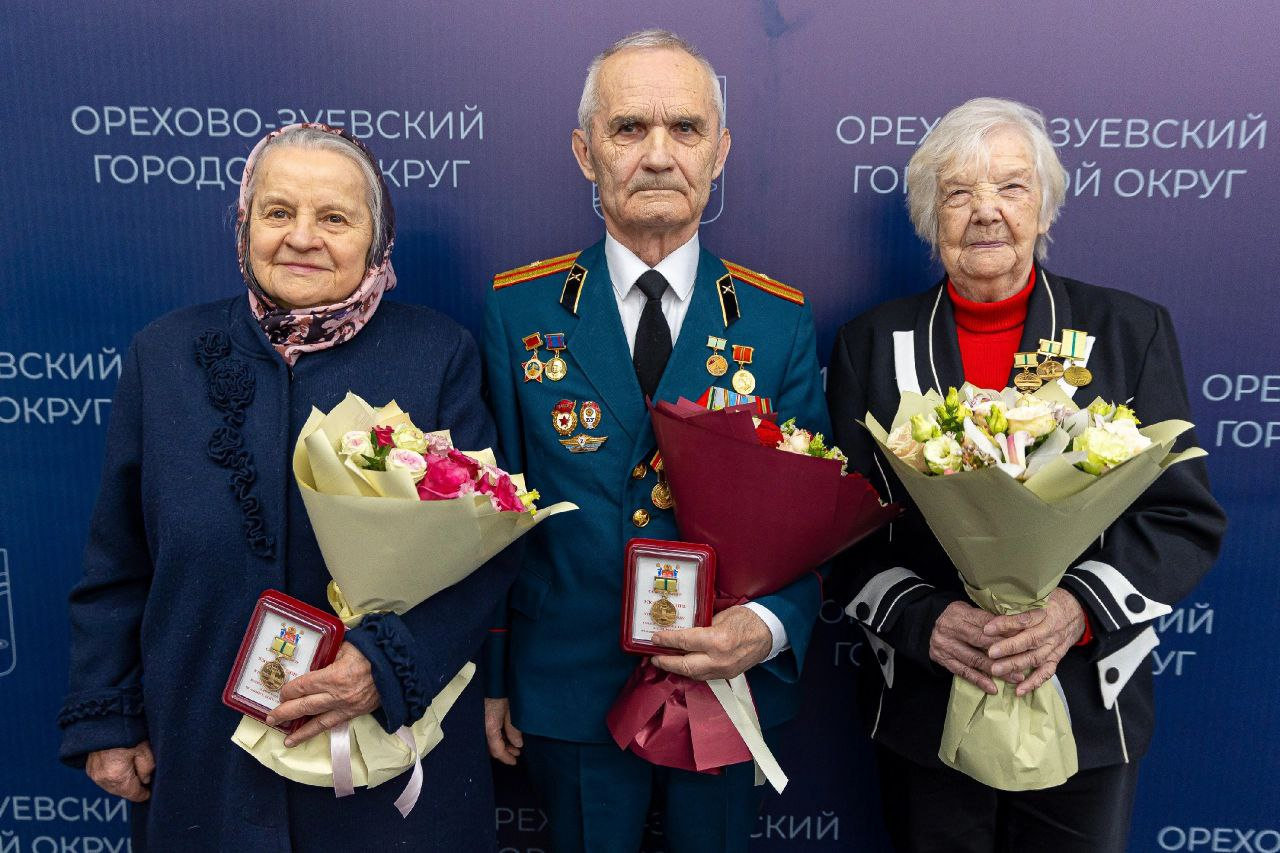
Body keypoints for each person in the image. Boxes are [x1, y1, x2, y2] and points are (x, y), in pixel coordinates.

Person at [57, 123, 517, 849]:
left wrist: (385, 665)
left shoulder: (437, 355)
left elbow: (487, 552)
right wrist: (108, 720)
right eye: (278, 212)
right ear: (244, 225)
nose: (302, 237)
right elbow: (119, 562)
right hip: (203, 753)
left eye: (334, 217)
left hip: (384, 758)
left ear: (377, 237)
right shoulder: (164, 355)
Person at [826, 97, 1227, 852]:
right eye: (959, 192)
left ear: (1044, 207)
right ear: (930, 218)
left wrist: (1076, 610)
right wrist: (927, 620)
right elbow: (840, 532)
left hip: (1086, 702)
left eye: (1011, 187)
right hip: (927, 704)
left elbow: (1182, 518)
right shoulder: (870, 344)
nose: (986, 211)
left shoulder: (1128, 331)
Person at [481, 29, 829, 852]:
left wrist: (766, 627)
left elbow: (814, 523)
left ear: (720, 152)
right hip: (571, 680)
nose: (659, 154)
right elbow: (492, 520)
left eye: (686, 128)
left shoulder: (777, 321)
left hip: (726, 681)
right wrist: (495, 674)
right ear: (585, 151)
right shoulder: (518, 311)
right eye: (629, 128)